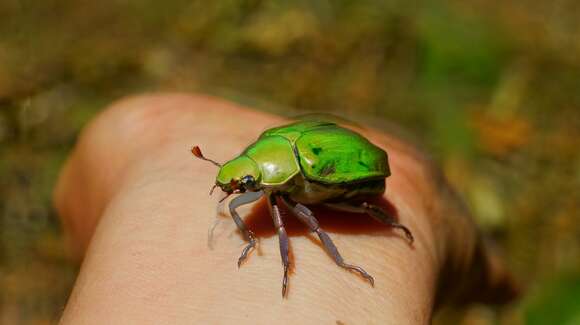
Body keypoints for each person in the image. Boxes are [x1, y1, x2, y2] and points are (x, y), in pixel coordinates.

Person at [54, 94, 517, 324]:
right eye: (241, 180)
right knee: (268, 216)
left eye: (249, 182)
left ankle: (358, 248)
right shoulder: (262, 168)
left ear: (270, 177)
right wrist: (246, 227)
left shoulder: (291, 182)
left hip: (347, 173)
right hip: (293, 157)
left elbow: (367, 184)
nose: (241, 188)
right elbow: (240, 199)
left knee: (311, 220)